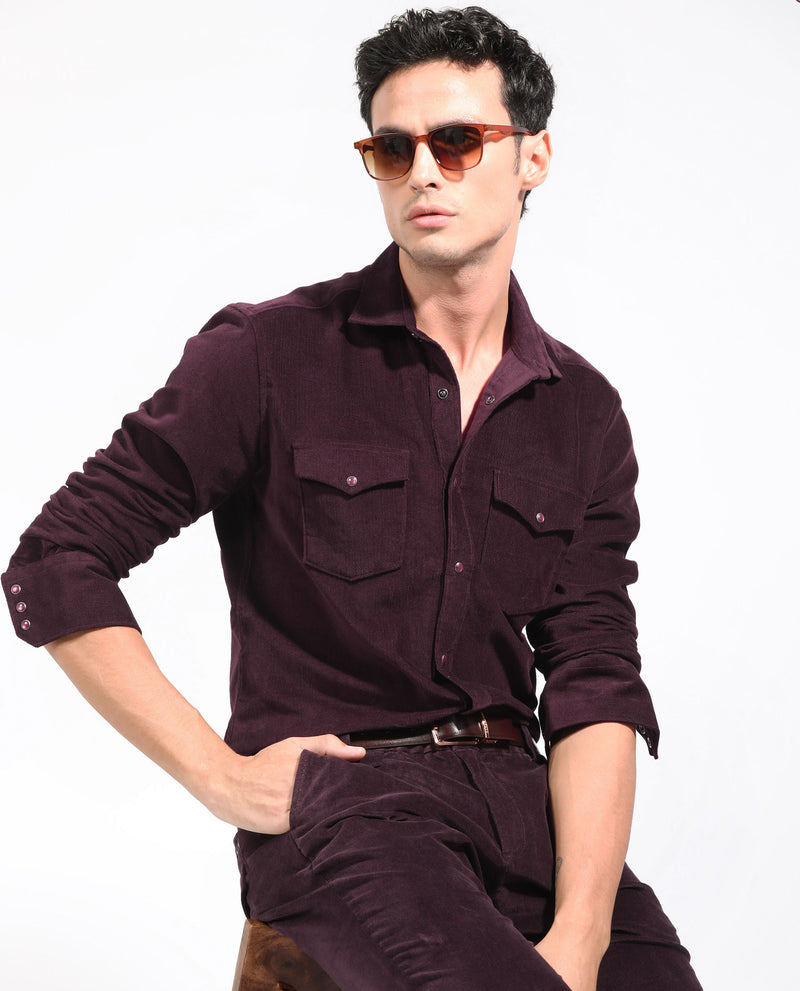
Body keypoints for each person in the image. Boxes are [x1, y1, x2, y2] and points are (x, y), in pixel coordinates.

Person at [2, 7, 702, 990]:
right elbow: (56, 559)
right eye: (392, 147)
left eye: (457, 141)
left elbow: (592, 671)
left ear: (533, 157)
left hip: (527, 806)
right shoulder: (267, 354)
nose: (422, 172)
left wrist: (582, 933)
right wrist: (221, 776)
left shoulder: (579, 410)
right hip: (350, 807)